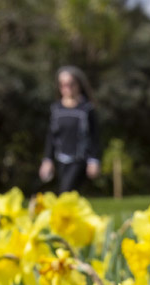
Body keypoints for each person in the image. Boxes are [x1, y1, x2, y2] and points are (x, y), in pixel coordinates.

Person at [39, 66, 101, 194]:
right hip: (61, 159)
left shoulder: (87, 109)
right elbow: (51, 136)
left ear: (78, 84)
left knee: (66, 192)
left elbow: (95, 136)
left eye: (70, 84)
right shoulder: (56, 109)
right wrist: (47, 160)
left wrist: (94, 160)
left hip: (79, 160)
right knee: (69, 194)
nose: (66, 88)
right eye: (62, 84)